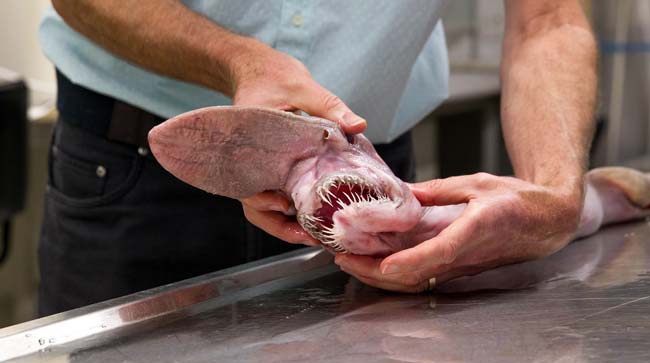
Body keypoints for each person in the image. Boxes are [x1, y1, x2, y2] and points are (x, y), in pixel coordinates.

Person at [39, 0, 595, 314]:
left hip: (374, 183)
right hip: (134, 176)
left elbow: (548, 18)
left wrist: (557, 197)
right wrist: (237, 60)